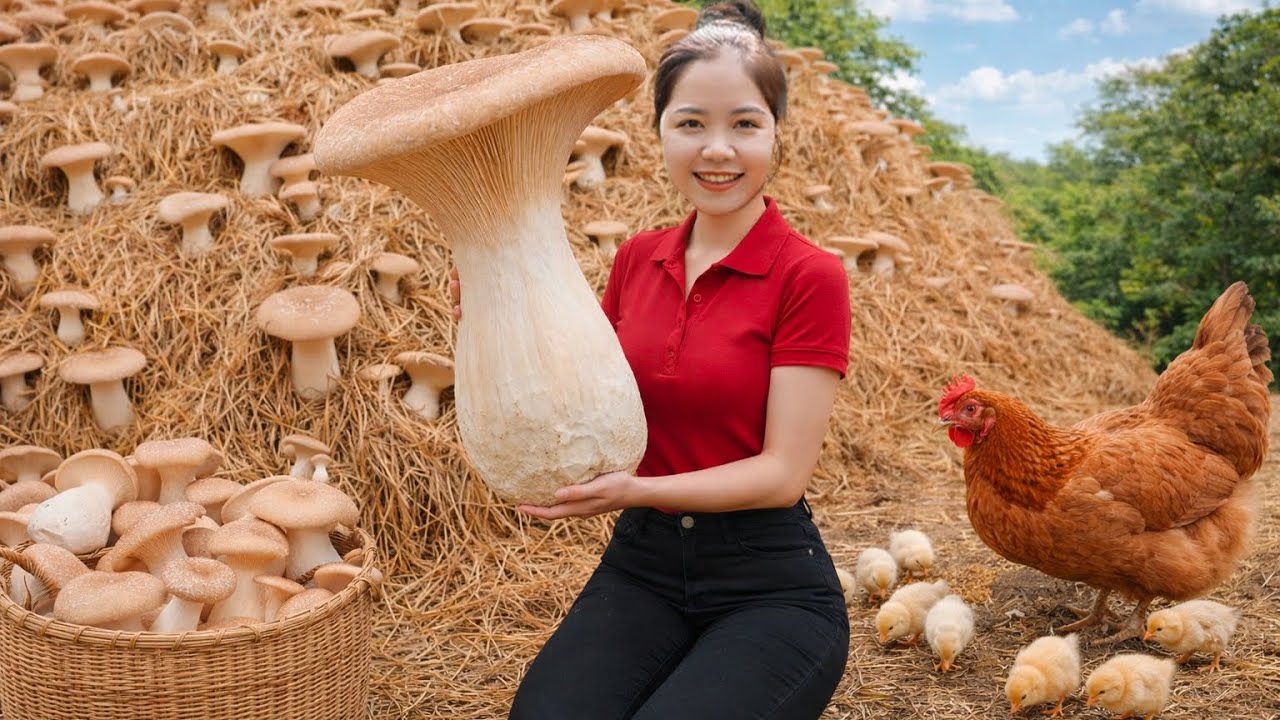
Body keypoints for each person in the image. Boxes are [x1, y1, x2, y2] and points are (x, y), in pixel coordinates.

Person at [454, 2, 851, 716]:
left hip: (770, 584)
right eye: (691, 123)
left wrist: (634, 491)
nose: (718, 150)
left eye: (745, 124)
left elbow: (782, 475)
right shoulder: (638, 258)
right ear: (660, 132)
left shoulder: (809, 274)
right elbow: (574, 391)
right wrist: (493, 311)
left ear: (776, 135)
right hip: (644, 567)